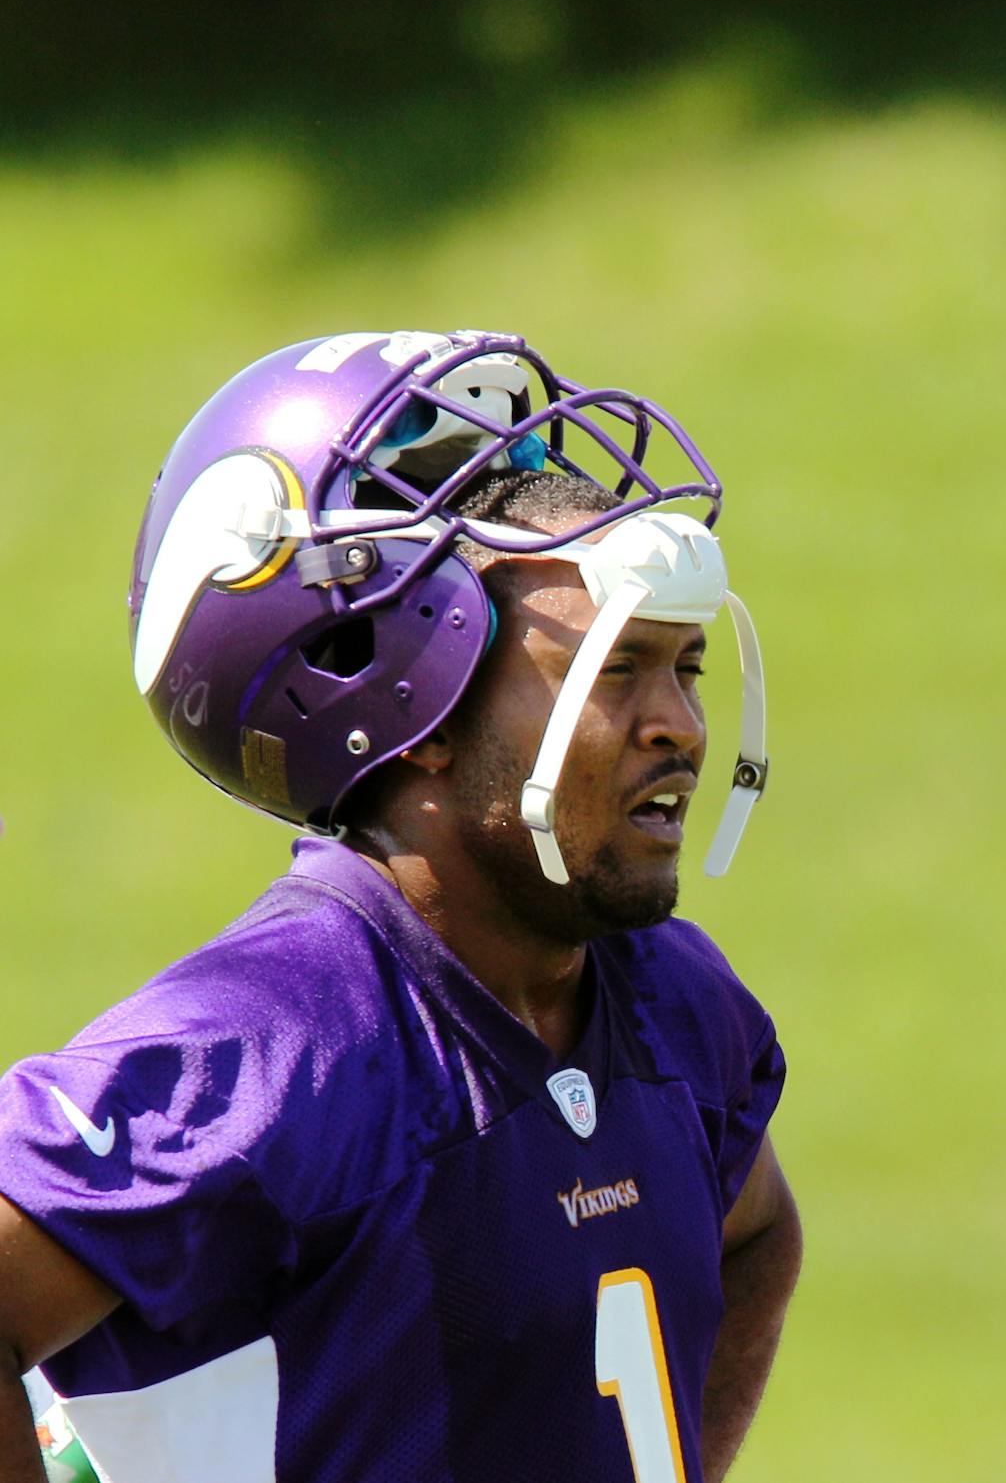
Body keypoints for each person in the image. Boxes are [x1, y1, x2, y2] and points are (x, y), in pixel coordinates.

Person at [0, 331, 797, 1481]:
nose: (678, 725)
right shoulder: (276, 1042)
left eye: (687, 667)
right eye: (611, 671)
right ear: (413, 705)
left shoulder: (679, 999)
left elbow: (758, 1230)